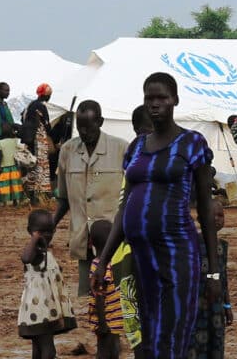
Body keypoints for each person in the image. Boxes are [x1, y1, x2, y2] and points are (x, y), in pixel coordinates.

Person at [92, 72, 221, 358]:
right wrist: (103, 261)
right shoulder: (136, 148)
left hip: (177, 255)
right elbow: (124, 208)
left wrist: (213, 271)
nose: (155, 104)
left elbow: (206, 210)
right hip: (142, 259)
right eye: (149, 98)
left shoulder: (192, 144)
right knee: (148, 341)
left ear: (175, 100)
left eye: (161, 97)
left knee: (170, 342)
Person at [53, 100, 128, 299]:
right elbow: (63, 197)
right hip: (83, 237)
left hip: (113, 237)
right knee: (88, 298)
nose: (84, 132)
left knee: (116, 295)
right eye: (80, 128)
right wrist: (52, 224)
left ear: (100, 121)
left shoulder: (121, 149)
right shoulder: (68, 151)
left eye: (89, 127)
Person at [18, 209, 77, 359]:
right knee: (48, 350)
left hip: (47, 309)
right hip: (40, 310)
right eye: (41, 232)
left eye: (50, 231)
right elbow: (25, 258)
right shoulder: (34, 252)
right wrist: (34, 238)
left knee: (39, 348)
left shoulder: (44, 252)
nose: (47, 236)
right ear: (30, 231)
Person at [187, 199, 233, 359]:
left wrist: (227, 305)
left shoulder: (223, 246)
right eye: (212, 215)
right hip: (196, 307)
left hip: (216, 309)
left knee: (216, 344)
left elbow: (224, 277)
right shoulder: (192, 244)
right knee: (195, 345)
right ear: (200, 219)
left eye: (221, 215)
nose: (217, 219)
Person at [86, 220, 124, 359]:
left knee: (107, 350)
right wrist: (103, 322)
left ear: (91, 241)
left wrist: (103, 322)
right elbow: (100, 294)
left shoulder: (99, 264)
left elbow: (99, 295)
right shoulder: (110, 264)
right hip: (111, 318)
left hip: (109, 318)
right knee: (109, 350)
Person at [21, 83, 56, 205]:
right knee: (41, 166)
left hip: (29, 140)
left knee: (32, 165)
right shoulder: (41, 107)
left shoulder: (30, 105)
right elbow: (47, 125)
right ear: (46, 95)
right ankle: (41, 194)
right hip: (39, 140)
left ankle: (30, 193)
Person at [0, 124, 26, 206]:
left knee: (5, 186)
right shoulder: (15, 141)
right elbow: (24, 147)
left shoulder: (0, 142)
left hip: (4, 167)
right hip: (14, 167)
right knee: (15, 185)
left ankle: (6, 202)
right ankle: (16, 201)